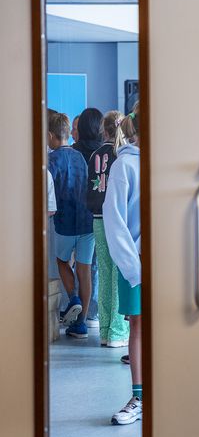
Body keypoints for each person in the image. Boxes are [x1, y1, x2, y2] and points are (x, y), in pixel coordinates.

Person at [103, 108, 142, 425]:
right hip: (137, 266)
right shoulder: (124, 165)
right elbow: (115, 223)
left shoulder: (166, 164)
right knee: (139, 328)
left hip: (170, 266)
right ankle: (139, 396)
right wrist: (134, 269)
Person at [47, 112, 94, 339]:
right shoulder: (80, 157)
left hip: (65, 222)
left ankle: (73, 298)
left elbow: (47, 193)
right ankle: (81, 323)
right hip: (86, 221)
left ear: (50, 135)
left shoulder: (51, 160)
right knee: (84, 271)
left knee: (62, 261)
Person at [88, 110, 130, 348]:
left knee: (103, 273)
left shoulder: (95, 154)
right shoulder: (121, 155)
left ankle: (104, 330)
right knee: (119, 274)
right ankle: (117, 331)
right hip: (116, 219)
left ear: (103, 130)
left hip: (97, 218)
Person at [73, 107, 104, 325]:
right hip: (98, 214)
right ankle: (92, 311)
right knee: (95, 265)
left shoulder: (73, 151)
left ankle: (77, 311)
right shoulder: (105, 152)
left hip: (74, 214)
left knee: (77, 265)